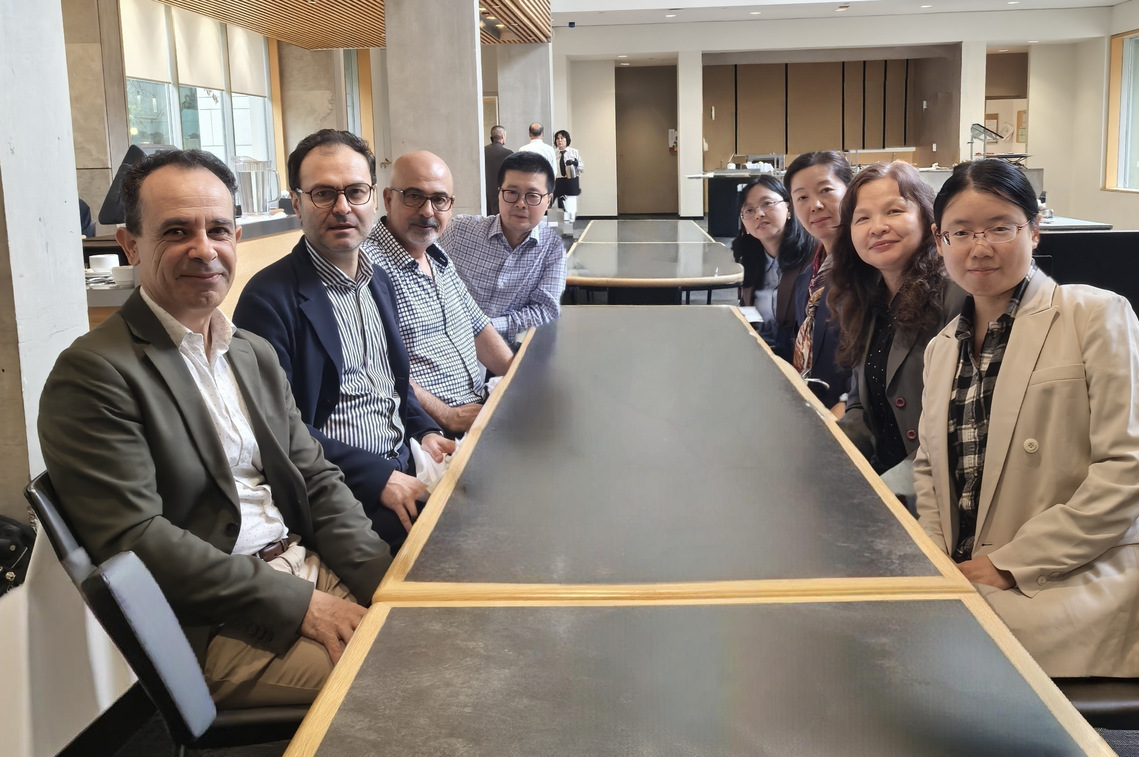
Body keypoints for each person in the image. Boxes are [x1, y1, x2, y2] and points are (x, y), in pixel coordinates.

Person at [37, 149, 392, 708]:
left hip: (303, 567)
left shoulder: (250, 352)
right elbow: (135, 539)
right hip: (217, 623)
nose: (204, 249)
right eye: (176, 231)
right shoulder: (94, 374)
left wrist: (387, 581)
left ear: (236, 239)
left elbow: (317, 479)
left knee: (449, 638)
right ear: (130, 245)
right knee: (410, 681)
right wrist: (303, 605)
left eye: (218, 230)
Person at [915, 158, 1139, 677]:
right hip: (966, 575)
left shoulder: (1094, 314)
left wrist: (1009, 564)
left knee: (925, 660)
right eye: (961, 232)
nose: (980, 247)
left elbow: (1127, 468)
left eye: (1001, 228)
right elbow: (929, 470)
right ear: (939, 241)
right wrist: (934, 559)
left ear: (1034, 231)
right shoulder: (941, 348)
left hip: (1072, 576)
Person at [233, 130, 454, 556]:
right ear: (296, 203)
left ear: (374, 198)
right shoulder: (268, 299)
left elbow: (392, 385)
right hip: (338, 491)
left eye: (355, 192)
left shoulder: (378, 281)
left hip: (405, 463)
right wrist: (377, 477)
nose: (342, 208)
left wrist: (425, 430)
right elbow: (276, 428)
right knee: (452, 552)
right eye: (322, 194)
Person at [362, 151, 515, 436]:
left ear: (450, 206)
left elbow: (478, 327)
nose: (427, 211)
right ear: (388, 199)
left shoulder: (437, 255)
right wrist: (447, 415)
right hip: (430, 431)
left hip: (477, 409)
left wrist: (519, 377)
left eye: (439, 199)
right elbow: (373, 367)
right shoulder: (366, 267)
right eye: (414, 196)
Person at [828, 161, 964, 479]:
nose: (877, 227)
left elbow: (959, 421)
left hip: (932, 486)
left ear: (927, 218)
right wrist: (832, 452)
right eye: (863, 218)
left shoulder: (958, 295)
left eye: (893, 211)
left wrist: (893, 485)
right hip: (881, 478)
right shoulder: (865, 298)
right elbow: (859, 407)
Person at [439, 151, 566, 346]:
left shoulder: (552, 248)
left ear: (548, 200)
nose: (520, 204)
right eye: (512, 193)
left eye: (532, 196)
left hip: (513, 351)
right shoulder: (459, 231)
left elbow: (545, 311)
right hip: (452, 345)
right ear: (499, 193)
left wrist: (485, 328)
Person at [785, 150, 854, 414]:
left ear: (851, 192)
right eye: (802, 197)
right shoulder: (807, 276)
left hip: (849, 418)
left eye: (825, 190)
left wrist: (846, 407)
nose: (814, 205)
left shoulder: (871, 269)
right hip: (810, 407)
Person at [730, 174, 813, 358]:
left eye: (767, 203)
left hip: (802, 361)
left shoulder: (814, 258)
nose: (759, 214)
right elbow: (748, 312)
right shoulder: (749, 259)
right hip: (761, 354)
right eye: (749, 210)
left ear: (789, 209)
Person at [552, 129, 583, 223]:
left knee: (571, 206)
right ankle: (563, 226)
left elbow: (581, 168)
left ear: (567, 139)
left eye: (562, 138)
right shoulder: (553, 153)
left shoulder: (574, 152)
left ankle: (570, 224)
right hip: (559, 181)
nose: (559, 140)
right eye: (557, 138)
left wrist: (576, 164)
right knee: (561, 206)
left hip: (571, 181)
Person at [484, 125, 513, 216]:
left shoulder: (482, 151)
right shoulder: (509, 154)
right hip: (502, 193)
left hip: (485, 194)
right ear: (502, 136)